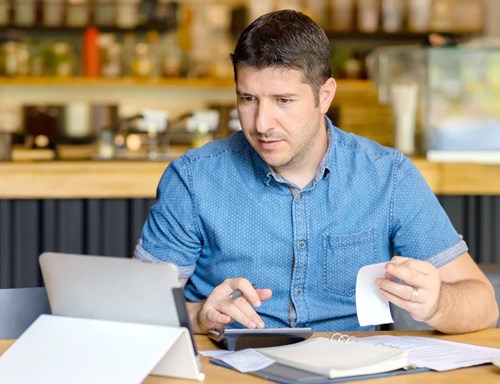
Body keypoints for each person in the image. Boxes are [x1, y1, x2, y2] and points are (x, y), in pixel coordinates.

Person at [135, 10, 498, 334]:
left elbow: (483, 304)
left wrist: (436, 305)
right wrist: (198, 315)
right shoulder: (194, 179)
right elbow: (136, 311)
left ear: (325, 96)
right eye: (248, 99)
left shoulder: (389, 178)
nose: (262, 123)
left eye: (283, 101)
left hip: (353, 373)